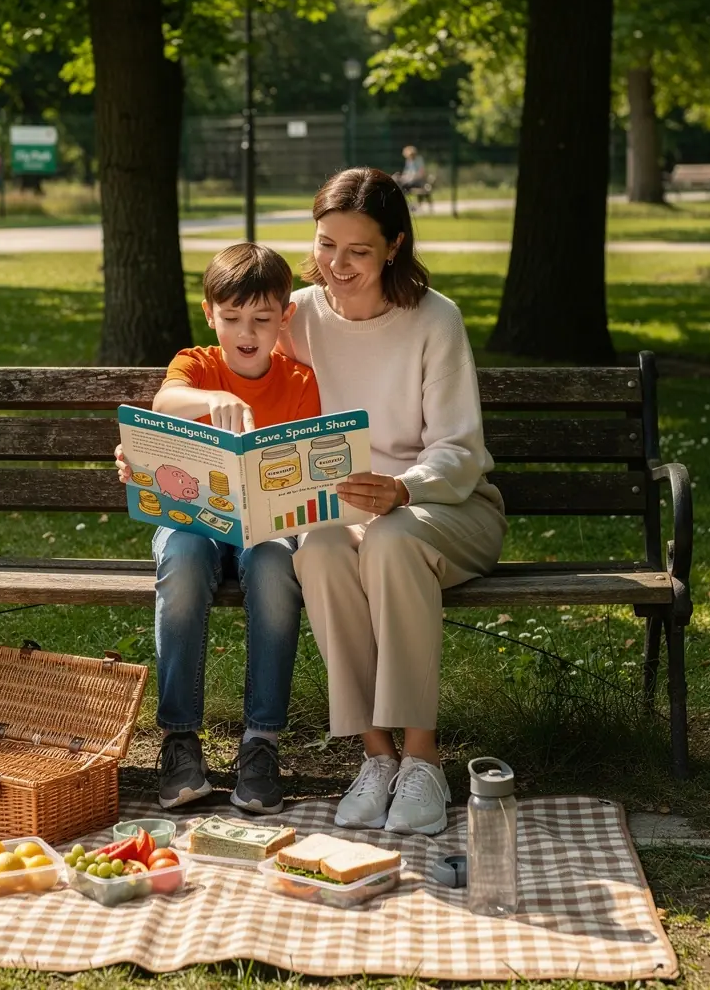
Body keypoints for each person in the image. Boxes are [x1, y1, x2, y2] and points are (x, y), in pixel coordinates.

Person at [277, 167, 506, 836]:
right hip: (347, 515)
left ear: (394, 247)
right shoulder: (298, 316)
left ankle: (423, 760)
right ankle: (375, 757)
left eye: (358, 251)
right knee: (316, 547)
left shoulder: (434, 319)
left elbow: (461, 451)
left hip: (450, 509)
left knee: (393, 537)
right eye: (325, 245)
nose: (336, 266)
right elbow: (228, 366)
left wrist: (403, 489)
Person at [115, 243, 321, 814]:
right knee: (180, 561)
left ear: (286, 316)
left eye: (261, 319)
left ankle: (261, 744)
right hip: (195, 525)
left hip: (266, 527)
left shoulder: (301, 381)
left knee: (277, 565)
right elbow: (164, 402)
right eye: (231, 319)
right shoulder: (196, 365)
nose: (246, 332)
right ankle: (179, 740)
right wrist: (213, 398)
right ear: (210, 314)